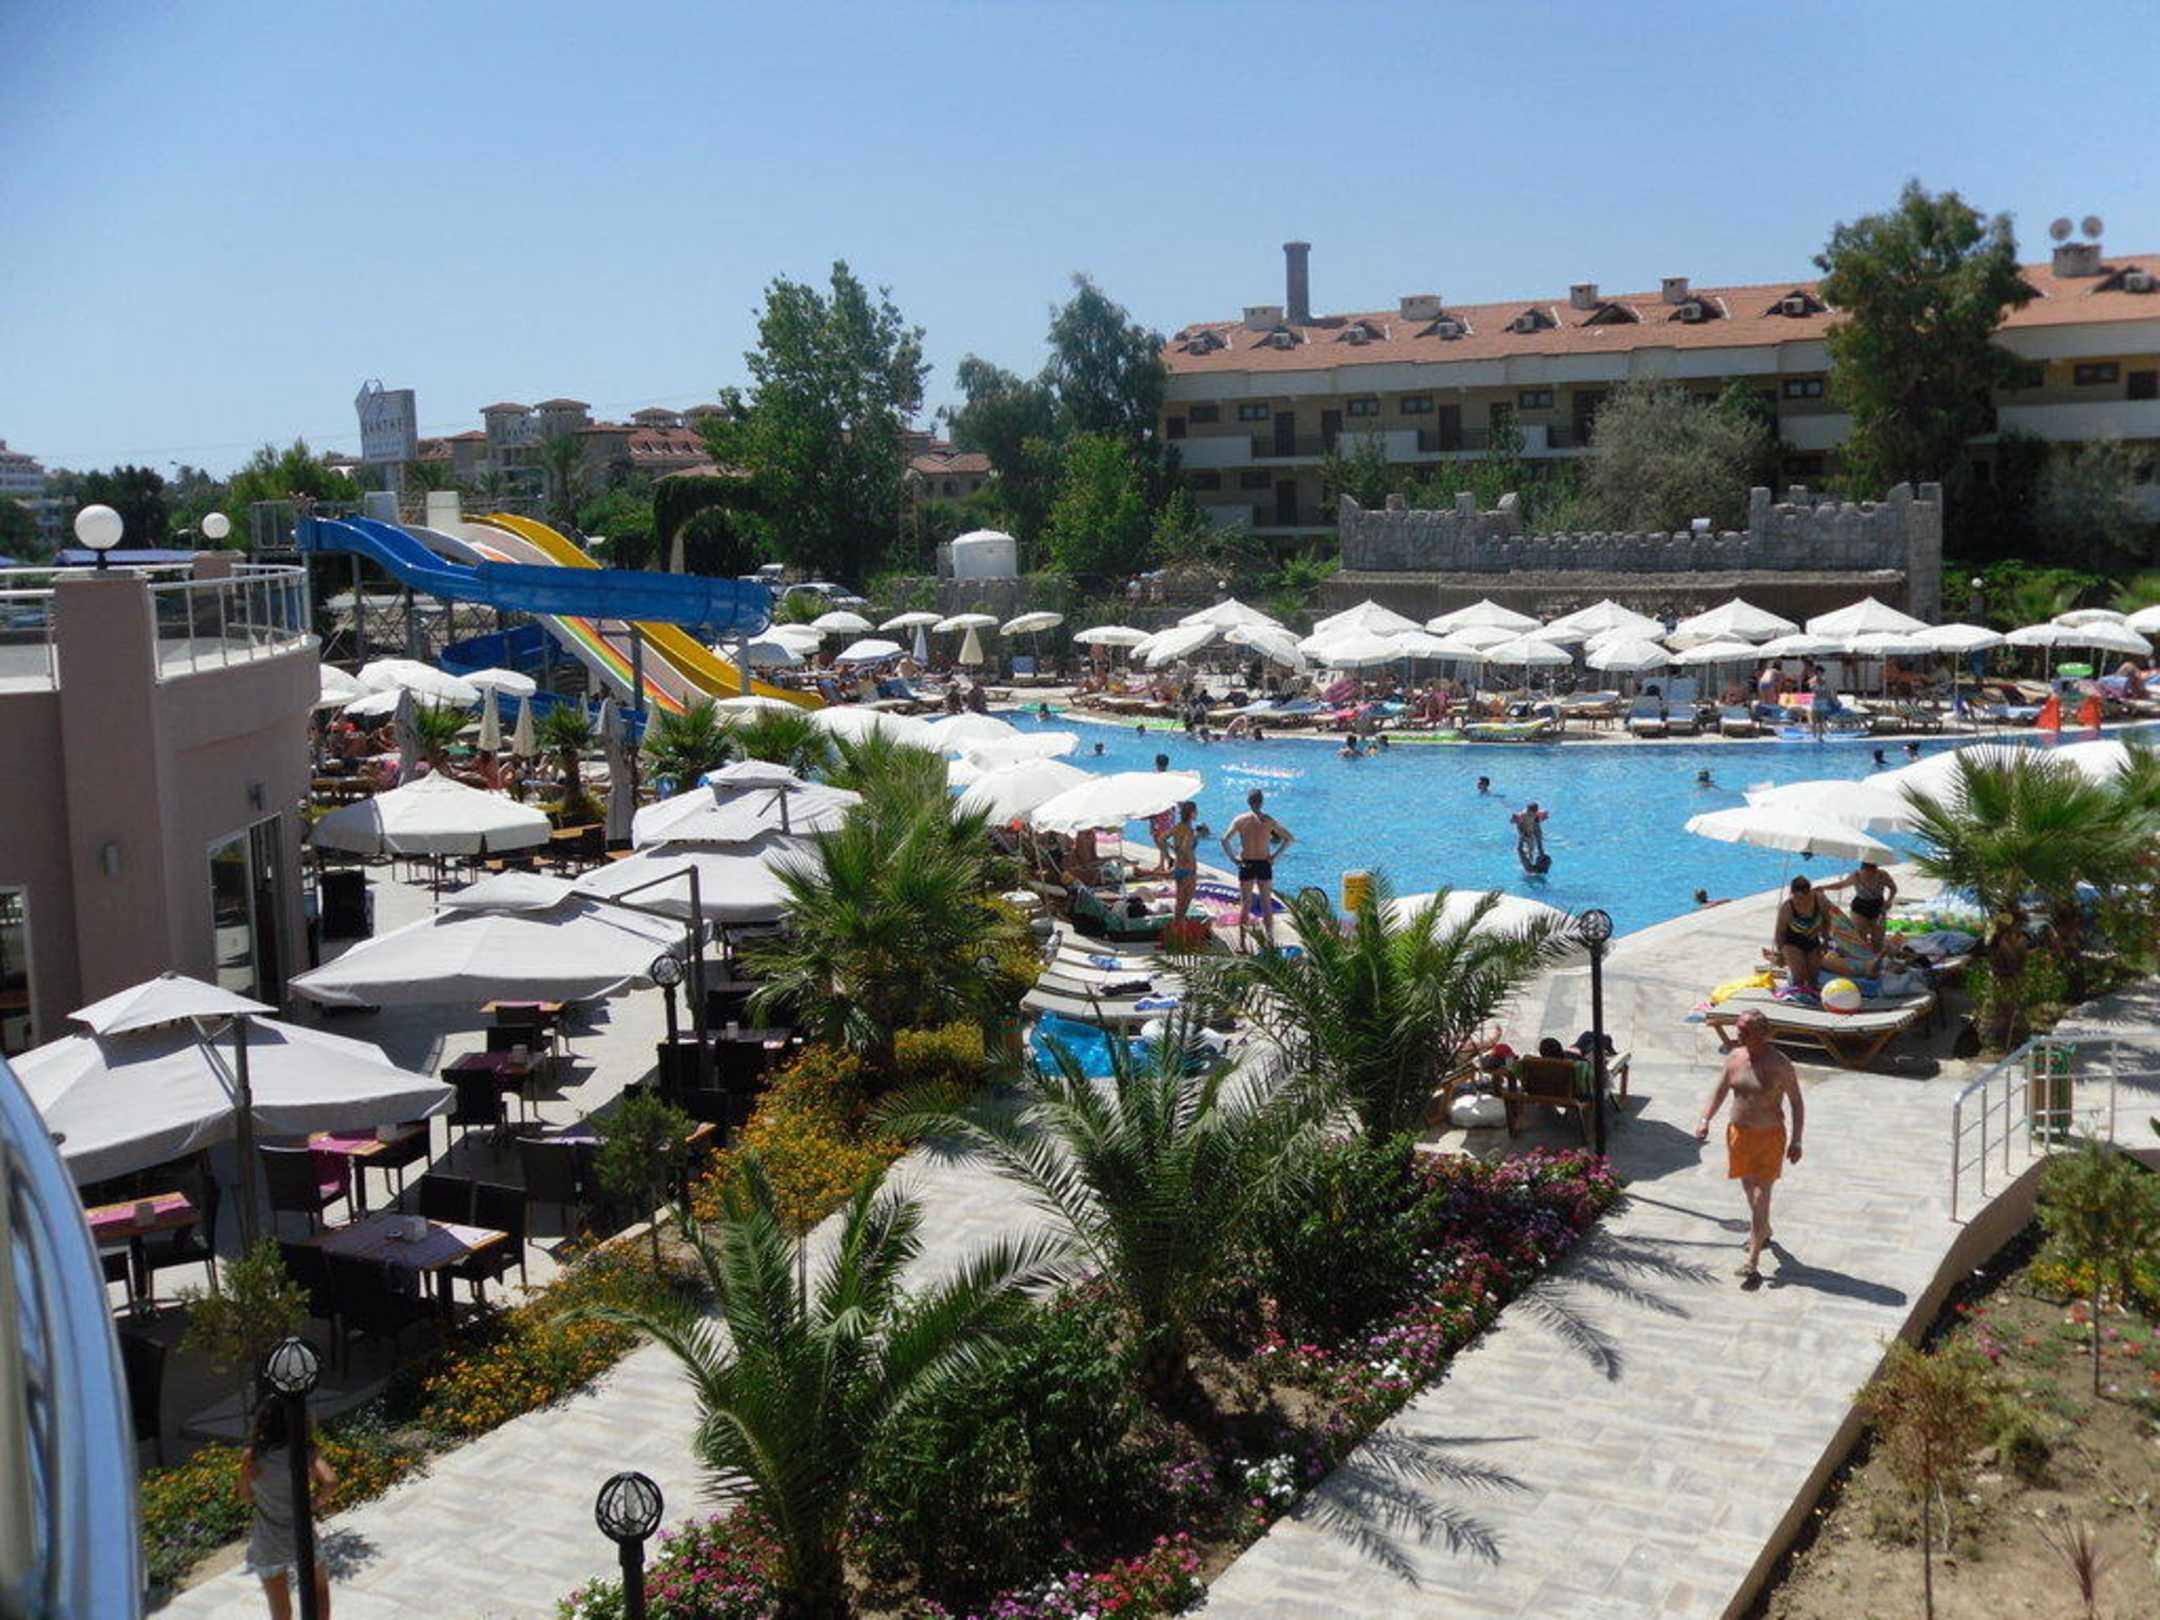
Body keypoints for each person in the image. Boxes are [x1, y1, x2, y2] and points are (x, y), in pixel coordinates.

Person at [1696, 1009, 1804, 1285]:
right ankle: (1763, 1230)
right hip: (1738, 1136)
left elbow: (1796, 1102)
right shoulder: (1734, 1057)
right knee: (1749, 1191)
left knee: (1759, 1196)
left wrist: (1796, 1140)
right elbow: (1720, 1091)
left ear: (1761, 1034)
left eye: (1744, 1030)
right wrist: (1705, 1119)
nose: (1738, 1033)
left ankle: (1752, 1261)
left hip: (1770, 1137)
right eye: (1738, 1028)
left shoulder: (1780, 1064)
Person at [240, 1396, 336, 1620]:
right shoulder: (305, 1452)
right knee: (319, 1592)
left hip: (268, 1541)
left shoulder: (252, 1457)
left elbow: (245, 1497)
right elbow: (331, 1481)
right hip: (302, 1536)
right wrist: (316, 1503)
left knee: (280, 1611)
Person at [1221, 788, 1294, 948]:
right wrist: (1275, 856)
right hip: (1263, 863)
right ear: (1262, 802)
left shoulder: (1240, 820)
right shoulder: (1269, 821)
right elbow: (1289, 839)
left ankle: (1242, 944)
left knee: (1245, 904)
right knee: (1266, 903)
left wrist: (1233, 859)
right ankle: (1270, 941)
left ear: (1248, 802)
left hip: (1246, 863)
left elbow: (1224, 840)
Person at [1819, 859, 1899, 953]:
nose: (1868, 876)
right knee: (1860, 939)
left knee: (1878, 939)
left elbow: (1893, 888)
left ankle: (1875, 958)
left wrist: (1889, 900)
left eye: (1871, 874)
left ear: (1875, 870)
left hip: (1879, 907)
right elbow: (1841, 885)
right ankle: (1863, 959)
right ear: (1862, 869)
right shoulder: (1856, 875)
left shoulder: (1883, 875)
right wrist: (1824, 887)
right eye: (1865, 873)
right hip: (1859, 908)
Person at [1772, 875, 1830, 991]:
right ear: (1792, 894)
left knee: (1813, 979)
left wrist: (1826, 940)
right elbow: (1779, 933)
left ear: (1810, 893)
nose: (1799, 902)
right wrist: (1780, 954)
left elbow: (1827, 920)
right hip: (1791, 942)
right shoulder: (1787, 907)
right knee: (1800, 978)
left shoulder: (1820, 900)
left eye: (1803, 898)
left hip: (1812, 940)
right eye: (1796, 898)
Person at [1167, 800, 1199, 923]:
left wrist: (1172, 850)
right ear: (1191, 813)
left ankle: (1176, 928)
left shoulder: (1177, 827)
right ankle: (1179, 929)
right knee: (1185, 905)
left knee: (1179, 903)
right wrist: (1189, 858)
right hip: (1189, 869)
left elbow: (1162, 839)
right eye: (1196, 811)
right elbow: (1186, 848)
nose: (1197, 813)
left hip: (1178, 867)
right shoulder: (1189, 830)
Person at [1144, 754, 1177, 873]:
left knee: (1158, 837)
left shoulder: (1156, 778)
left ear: (1156, 763)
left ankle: (1164, 862)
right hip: (1167, 810)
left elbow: (1152, 795)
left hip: (1159, 810)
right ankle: (1166, 861)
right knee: (1159, 837)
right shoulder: (1170, 778)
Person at [1511, 801, 1550, 874]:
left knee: (1538, 844)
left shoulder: (1536, 814)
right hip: (1525, 830)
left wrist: (1543, 816)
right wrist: (1514, 819)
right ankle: (1531, 861)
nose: (1532, 815)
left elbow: (1544, 815)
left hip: (1533, 827)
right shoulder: (1522, 815)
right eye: (1531, 814)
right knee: (1528, 846)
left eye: (1534, 813)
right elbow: (1512, 821)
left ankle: (1540, 860)